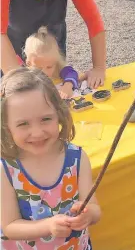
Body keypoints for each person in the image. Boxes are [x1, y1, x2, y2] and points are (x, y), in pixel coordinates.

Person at [1, 67, 101, 249]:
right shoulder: (5, 168)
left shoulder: (77, 158)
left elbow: (94, 209)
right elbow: (9, 226)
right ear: (7, 127)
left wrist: (88, 215)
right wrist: (48, 226)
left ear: (59, 115)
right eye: (23, 123)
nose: (37, 132)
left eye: (46, 119)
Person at [1, 0, 106, 89]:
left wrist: (99, 68)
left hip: (52, 49)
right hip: (11, 53)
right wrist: (19, 85)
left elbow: (93, 18)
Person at [23, 26, 80, 99]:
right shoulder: (24, 76)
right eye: (39, 68)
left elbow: (72, 73)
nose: (45, 72)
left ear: (55, 62)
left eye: (49, 67)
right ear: (28, 63)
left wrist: (68, 85)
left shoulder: (58, 69)